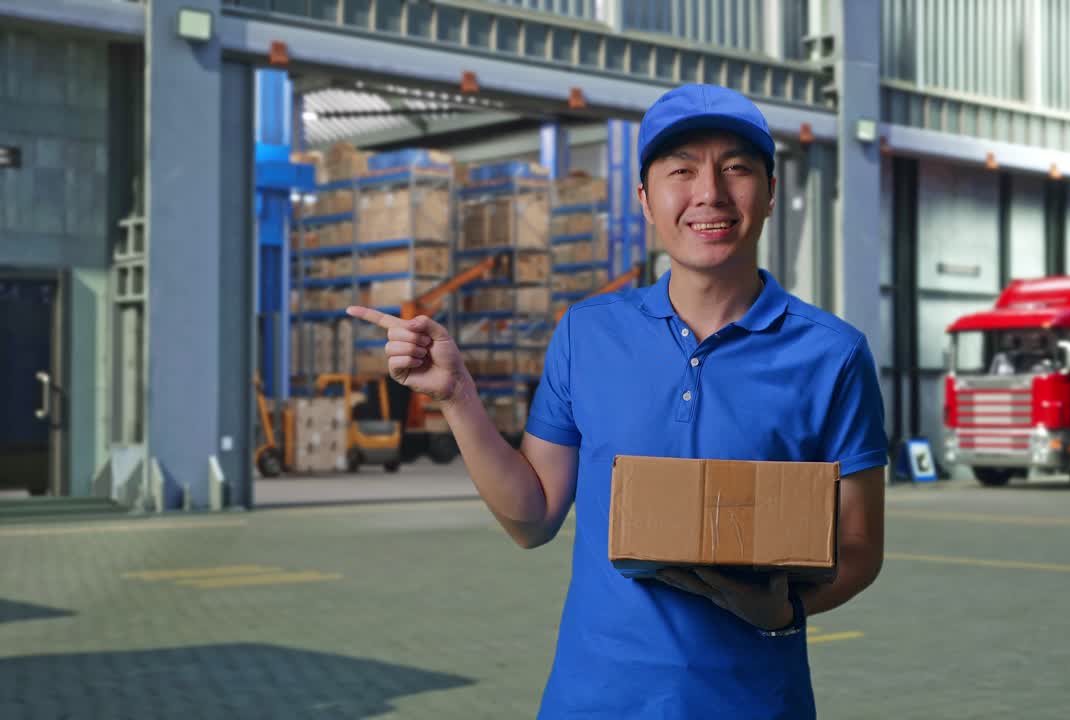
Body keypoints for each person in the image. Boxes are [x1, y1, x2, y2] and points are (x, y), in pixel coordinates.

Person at [348, 83, 888, 719]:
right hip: (596, 700)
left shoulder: (833, 356)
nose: (709, 192)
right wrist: (458, 396)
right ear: (645, 200)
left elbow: (859, 548)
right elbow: (532, 518)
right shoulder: (587, 333)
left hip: (753, 703)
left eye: (736, 168)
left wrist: (786, 610)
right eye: (680, 170)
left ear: (770, 191)